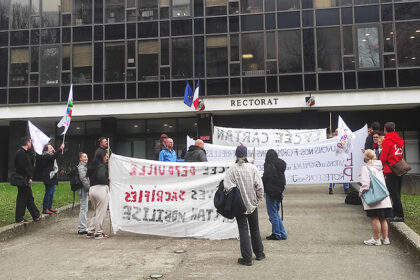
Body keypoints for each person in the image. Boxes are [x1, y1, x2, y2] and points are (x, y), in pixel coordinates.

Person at [224, 145, 265, 266]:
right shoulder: (253, 168)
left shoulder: (232, 170)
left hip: (239, 205)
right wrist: (258, 199)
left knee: (243, 230)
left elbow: (227, 187)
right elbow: (260, 186)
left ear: (236, 155)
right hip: (252, 203)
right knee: (255, 228)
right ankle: (259, 254)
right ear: (246, 155)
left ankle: (247, 258)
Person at [360, 149, 392, 246]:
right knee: (383, 218)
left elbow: (365, 185)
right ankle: (385, 239)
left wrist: (361, 192)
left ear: (365, 158)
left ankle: (376, 239)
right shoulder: (379, 167)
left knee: (374, 217)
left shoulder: (366, 168)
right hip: (383, 197)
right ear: (374, 156)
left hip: (374, 198)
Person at [380, 122, 405, 222]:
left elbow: (383, 157)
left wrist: (380, 166)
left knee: (393, 193)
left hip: (390, 170)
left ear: (385, 130)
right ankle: (396, 213)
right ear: (394, 129)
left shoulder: (387, 141)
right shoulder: (400, 140)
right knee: (397, 192)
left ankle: (399, 214)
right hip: (400, 168)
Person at [14, 136, 41, 224]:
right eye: (30, 142)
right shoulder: (21, 153)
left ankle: (36, 215)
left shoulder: (25, 152)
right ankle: (19, 217)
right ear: (27, 143)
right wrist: (29, 178)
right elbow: (23, 168)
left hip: (24, 178)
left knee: (29, 197)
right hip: (23, 179)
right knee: (22, 198)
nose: (31, 144)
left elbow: (29, 165)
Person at [262, 149, 287, 241]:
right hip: (279, 193)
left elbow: (265, 179)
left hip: (271, 193)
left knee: (272, 214)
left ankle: (276, 234)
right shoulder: (280, 166)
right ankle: (282, 233)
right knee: (276, 214)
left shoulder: (269, 166)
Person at [86, 152, 110, 239]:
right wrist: (106, 180)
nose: (107, 158)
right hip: (100, 189)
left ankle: (91, 230)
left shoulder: (92, 166)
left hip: (92, 189)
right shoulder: (101, 166)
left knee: (97, 211)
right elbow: (100, 176)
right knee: (101, 212)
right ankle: (98, 232)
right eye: (106, 156)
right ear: (102, 157)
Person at [39, 143, 65, 215]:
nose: (52, 149)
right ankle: (45, 209)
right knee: (48, 192)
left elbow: (54, 156)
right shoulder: (45, 155)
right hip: (48, 176)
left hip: (52, 176)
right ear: (46, 150)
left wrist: (55, 151)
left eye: (51, 148)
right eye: (50, 148)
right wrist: (60, 149)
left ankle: (49, 207)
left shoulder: (50, 155)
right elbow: (54, 156)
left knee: (52, 192)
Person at [329, 128, 350, 194]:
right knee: (333, 174)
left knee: (345, 173)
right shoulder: (333, 139)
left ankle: (346, 188)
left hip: (343, 159)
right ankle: (330, 188)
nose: (337, 132)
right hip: (335, 160)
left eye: (338, 131)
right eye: (336, 131)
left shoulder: (345, 140)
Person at [77, 152, 90, 235]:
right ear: (80, 158)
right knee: (84, 208)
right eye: (84, 157)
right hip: (83, 189)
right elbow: (83, 178)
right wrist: (88, 188)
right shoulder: (81, 167)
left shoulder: (83, 166)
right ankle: (82, 228)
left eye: (87, 156)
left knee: (84, 208)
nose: (86, 158)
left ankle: (83, 227)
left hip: (84, 189)